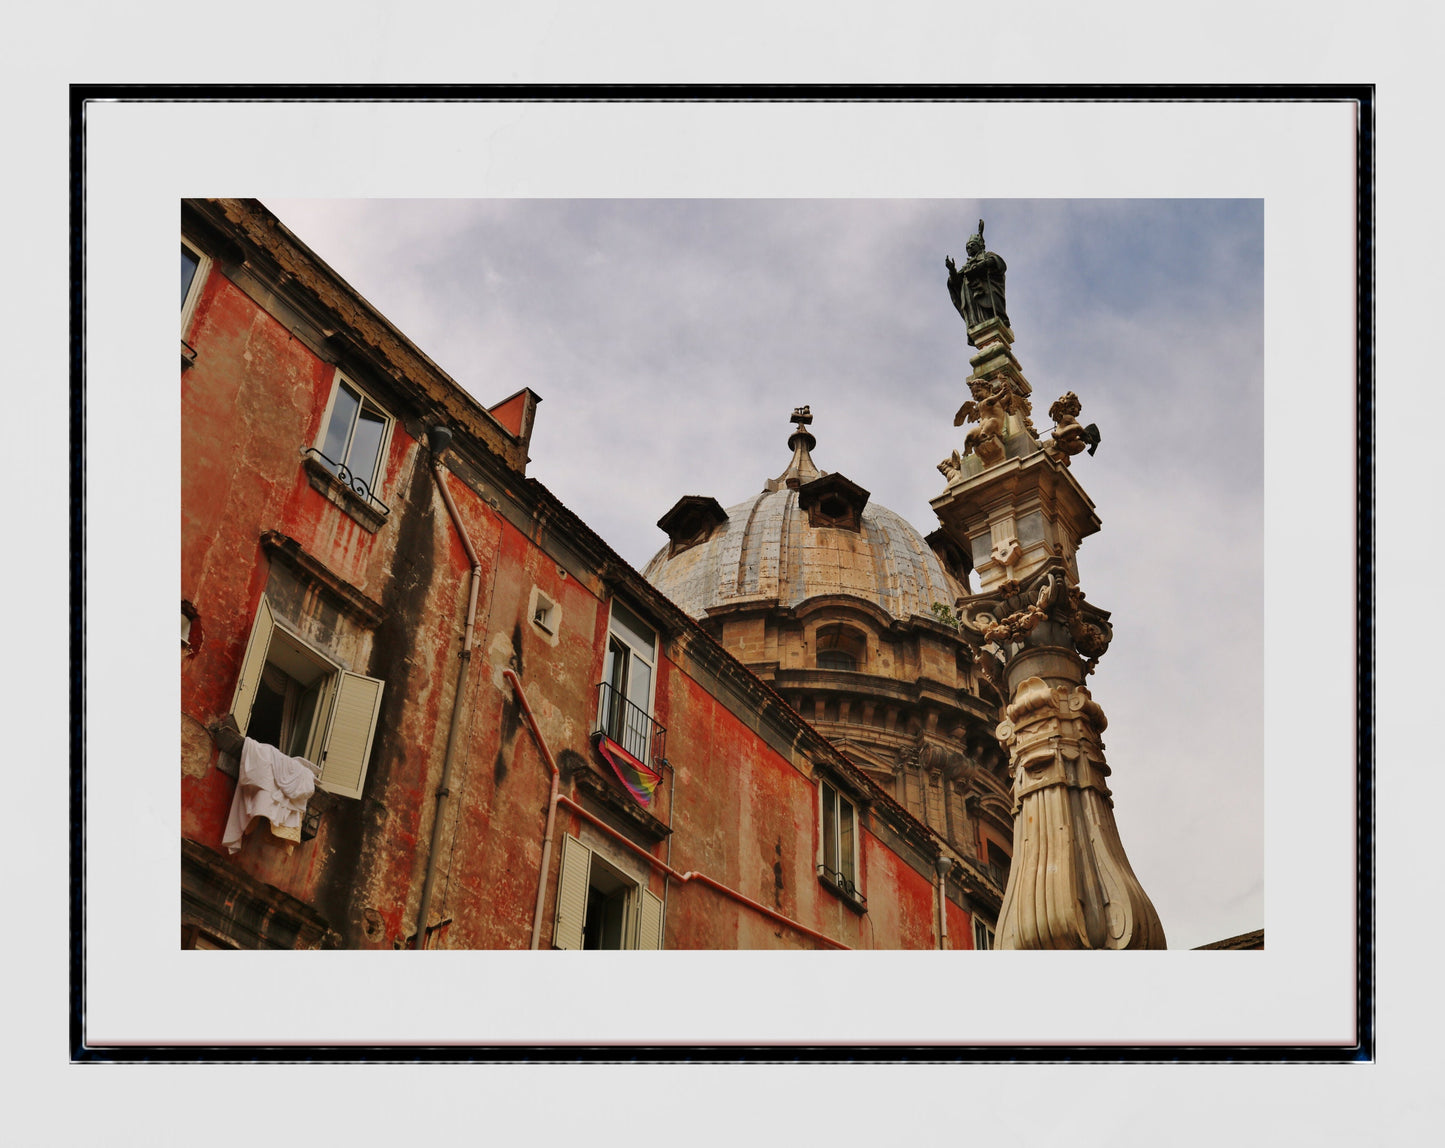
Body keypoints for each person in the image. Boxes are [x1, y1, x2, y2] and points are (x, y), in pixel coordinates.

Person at [945, 221, 1009, 345]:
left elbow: (998, 263)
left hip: (985, 292)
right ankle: (977, 325)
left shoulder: (987, 256)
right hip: (970, 297)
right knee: (976, 317)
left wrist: (982, 265)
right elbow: (956, 282)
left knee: (989, 314)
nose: (969, 248)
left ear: (979, 246)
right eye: (967, 247)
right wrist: (952, 270)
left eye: (972, 245)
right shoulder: (967, 265)